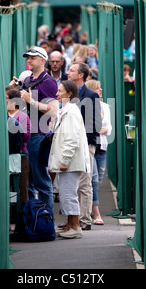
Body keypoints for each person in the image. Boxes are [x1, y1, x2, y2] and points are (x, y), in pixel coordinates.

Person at [9, 46, 58, 211]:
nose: (28, 61)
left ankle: (46, 220)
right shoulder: (27, 80)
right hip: (25, 136)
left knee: (41, 181)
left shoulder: (49, 82)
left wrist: (31, 101)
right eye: (27, 58)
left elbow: (53, 111)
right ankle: (32, 221)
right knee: (27, 182)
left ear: (42, 61)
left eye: (32, 58)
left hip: (39, 136)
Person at [49, 80, 90, 239]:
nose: (57, 94)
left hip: (70, 163)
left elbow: (71, 139)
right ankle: (70, 225)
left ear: (69, 94)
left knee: (69, 194)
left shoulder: (71, 112)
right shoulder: (67, 111)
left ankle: (75, 227)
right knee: (67, 194)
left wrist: (64, 160)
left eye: (60, 91)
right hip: (68, 162)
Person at [66, 62, 102, 230]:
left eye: (71, 70)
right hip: (69, 144)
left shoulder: (91, 95)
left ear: (80, 75)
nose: (68, 72)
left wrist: (85, 142)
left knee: (84, 182)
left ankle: (85, 219)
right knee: (71, 182)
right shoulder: (67, 94)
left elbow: (95, 123)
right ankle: (72, 220)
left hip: (85, 144)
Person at [85, 80, 112, 225]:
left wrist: (106, 130)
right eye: (97, 88)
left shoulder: (106, 107)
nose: (100, 89)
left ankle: (87, 207)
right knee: (93, 180)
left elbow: (110, 128)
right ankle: (96, 214)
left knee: (98, 181)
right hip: (91, 145)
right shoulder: (86, 106)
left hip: (102, 146)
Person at [6, 87, 31, 203]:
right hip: (8, 155)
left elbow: (25, 137)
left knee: (22, 188)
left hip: (20, 156)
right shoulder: (3, 115)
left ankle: (23, 216)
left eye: (6, 98)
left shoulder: (22, 116)